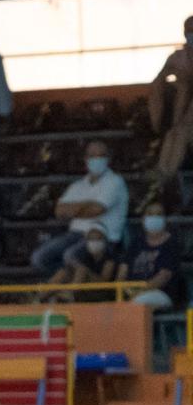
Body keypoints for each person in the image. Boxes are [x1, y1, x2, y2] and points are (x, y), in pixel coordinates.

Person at [30, 142, 129, 277]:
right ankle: (70, 286)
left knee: (70, 256)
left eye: (101, 155)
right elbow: (59, 211)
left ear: (108, 159)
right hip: (75, 234)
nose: (97, 159)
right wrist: (86, 205)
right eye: (92, 156)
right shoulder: (78, 185)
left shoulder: (115, 182)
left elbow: (96, 210)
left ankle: (87, 288)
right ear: (85, 159)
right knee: (39, 258)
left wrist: (75, 208)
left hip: (103, 237)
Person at [147, 17, 193, 189]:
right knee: (174, 133)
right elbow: (159, 79)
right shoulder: (177, 56)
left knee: (180, 133)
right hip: (179, 118)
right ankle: (163, 170)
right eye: (189, 31)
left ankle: (166, 173)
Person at [124, 202, 187, 311]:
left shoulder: (171, 244)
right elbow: (123, 271)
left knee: (138, 304)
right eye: (150, 214)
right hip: (131, 292)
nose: (154, 217)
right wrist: (121, 291)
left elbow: (163, 277)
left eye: (159, 214)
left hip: (161, 293)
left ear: (165, 219)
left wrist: (138, 292)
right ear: (143, 219)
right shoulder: (135, 243)